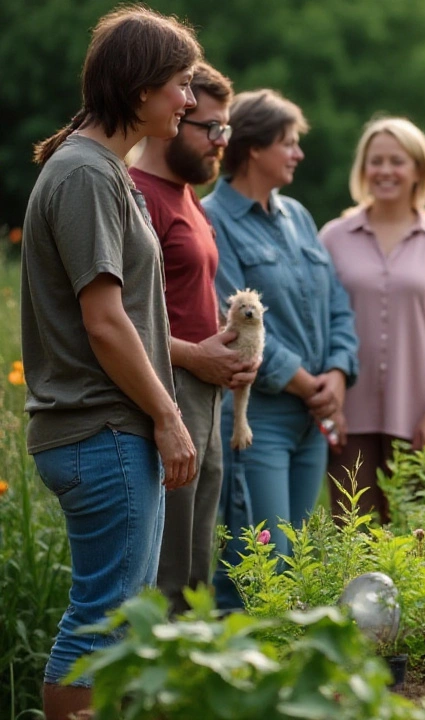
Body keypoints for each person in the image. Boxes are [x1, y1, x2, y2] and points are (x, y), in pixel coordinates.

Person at [20, 8, 201, 717]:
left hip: (105, 436)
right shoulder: (87, 175)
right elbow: (104, 321)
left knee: (114, 624)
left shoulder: (100, 169)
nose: (188, 102)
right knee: (103, 626)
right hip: (103, 433)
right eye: (180, 85)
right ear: (138, 87)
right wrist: (167, 416)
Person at [204, 89, 358, 608]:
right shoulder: (214, 220)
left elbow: (338, 305)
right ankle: (236, 680)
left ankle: (286, 681)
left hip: (309, 418)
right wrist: (305, 382)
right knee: (257, 566)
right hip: (258, 419)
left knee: (297, 565)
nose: (298, 153)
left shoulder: (298, 216)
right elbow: (234, 329)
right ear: (253, 148)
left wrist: (336, 373)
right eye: (288, 143)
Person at [129, 62, 258, 613]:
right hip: (162, 399)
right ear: (175, 118)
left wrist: (235, 352)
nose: (220, 142)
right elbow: (117, 319)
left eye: (226, 129)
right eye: (209, 127)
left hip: (203, 404)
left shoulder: (190, 201)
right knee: (164, 568)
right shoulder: (136, 195)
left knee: (196, 563)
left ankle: (189, 685)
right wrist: (196, 357)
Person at [320, 117, 425, 520]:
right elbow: (319, 327)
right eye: (376, 161)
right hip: (347, 416)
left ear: (418, 169)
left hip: (417, 420)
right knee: (354, 538)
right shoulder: (332, 237)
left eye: (396, 161)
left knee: (412, 543)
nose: (385, 171)